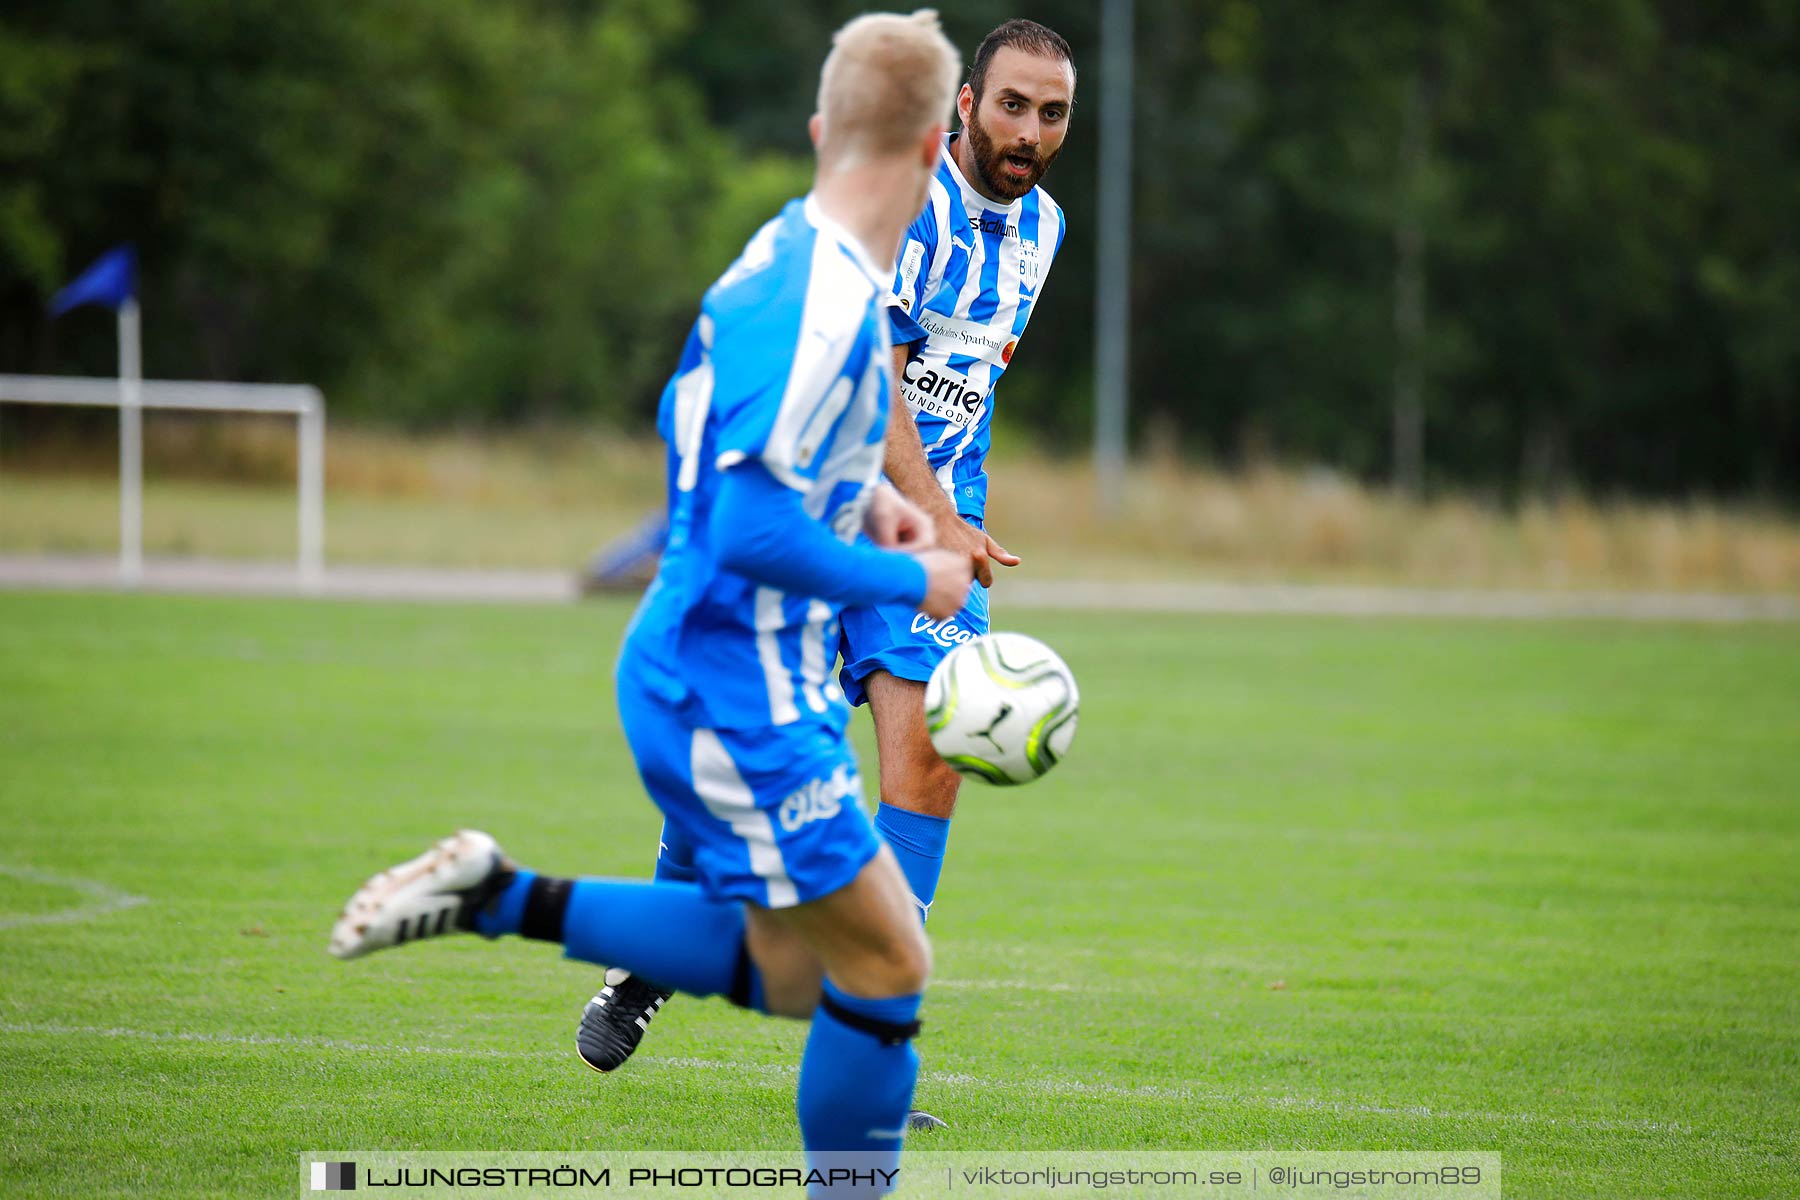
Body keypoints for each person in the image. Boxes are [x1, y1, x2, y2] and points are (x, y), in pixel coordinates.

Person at [328, 10, 972, 1188]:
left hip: (713, 673)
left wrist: (860, 500)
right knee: (883, 970)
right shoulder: (824, 304)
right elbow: (745, 524)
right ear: (940, 149)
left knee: (804, 972)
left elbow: (715, 435)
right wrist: (908, 571)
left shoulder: (783, 251)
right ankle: (497, 896)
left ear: (822, 128)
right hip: (731, 690)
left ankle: (497, 893)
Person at [581, 21, 1078, 1122]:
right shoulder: (910, 201)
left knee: (932, 761)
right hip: (836, 510)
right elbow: (887, 374)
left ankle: (872, 1030)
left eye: (1052, 114)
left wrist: (957, 518)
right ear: (962, 107)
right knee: (765, 757)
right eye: (1012, 106)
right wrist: (934, 515)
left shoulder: (1042, 229)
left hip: (942, 523)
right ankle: (649, 961)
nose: (1030, 133)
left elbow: (968, 388)